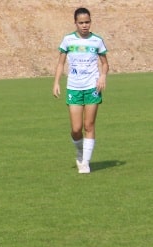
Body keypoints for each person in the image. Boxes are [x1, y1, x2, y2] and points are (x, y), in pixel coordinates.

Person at [52, 7, 109, 174]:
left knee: (89, 125)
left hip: (92, 86)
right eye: (81, 22)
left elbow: (105, 63)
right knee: (76, 129)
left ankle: (85, 162)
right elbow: (61, 63)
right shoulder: (68, 40)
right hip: (74, 87)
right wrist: (56, 82)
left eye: (87, 22)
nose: (85, 25)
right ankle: (79, 151)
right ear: (75, 23)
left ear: (90, 22)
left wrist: (103, 76)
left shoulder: (97, 41)